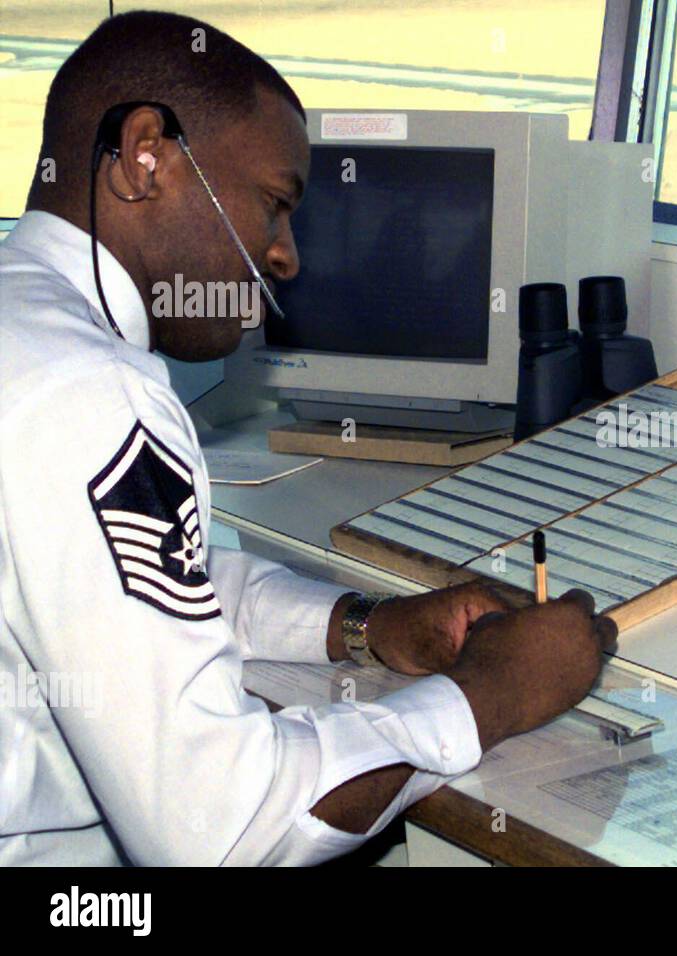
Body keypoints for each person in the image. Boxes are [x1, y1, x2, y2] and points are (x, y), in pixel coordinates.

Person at [0, 10, 616, 866]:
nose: (283, 255)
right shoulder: (95, 394)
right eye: (274, 205)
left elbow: (142, 590)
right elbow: (219, 830)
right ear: (147, 157)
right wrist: (489, 697)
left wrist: (366, 625)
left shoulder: (21, 324)